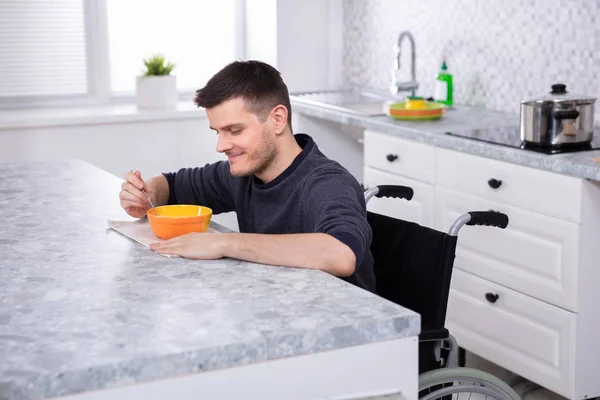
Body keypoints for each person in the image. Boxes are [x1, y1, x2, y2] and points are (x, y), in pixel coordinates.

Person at [119, 60, 375, 292]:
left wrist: (222, 243)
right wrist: (147, 194)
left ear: (277, 119)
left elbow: (342, 255)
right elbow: (171, 185)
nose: (221, 145)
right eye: (217, 132)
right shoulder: (243, 173)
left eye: (234, 130)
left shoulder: (327, 183)